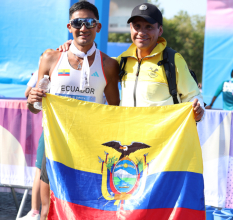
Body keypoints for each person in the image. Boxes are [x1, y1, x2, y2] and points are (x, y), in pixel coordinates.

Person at [27, 2, 120, 219]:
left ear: (98, 27)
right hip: (54, 141)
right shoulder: (51, 58)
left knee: (85, 207)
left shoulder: (108, 65)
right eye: (78, 22)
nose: (83, 28)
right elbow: (34, 107)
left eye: (89, 22)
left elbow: (115, 111)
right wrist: (32, 100)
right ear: (70, 26)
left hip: (90, 145)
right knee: (47, 207)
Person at [60, 3, 205, 121]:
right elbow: (94, 64)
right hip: (129, 137)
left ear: (160, 30)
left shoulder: (172, 59)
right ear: (131, 29)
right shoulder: (122, 60)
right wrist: (72, 48)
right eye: (137, 26)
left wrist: (198, 110)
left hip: (163, 142)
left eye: (149, 27)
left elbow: (193, 96)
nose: (142, 32)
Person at [20, 49, 53, 220]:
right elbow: (28, 96)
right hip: (49, 130)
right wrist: (35, 94)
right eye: (43, 60)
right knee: (40, 171)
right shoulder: (43, 70)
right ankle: (34, 211)